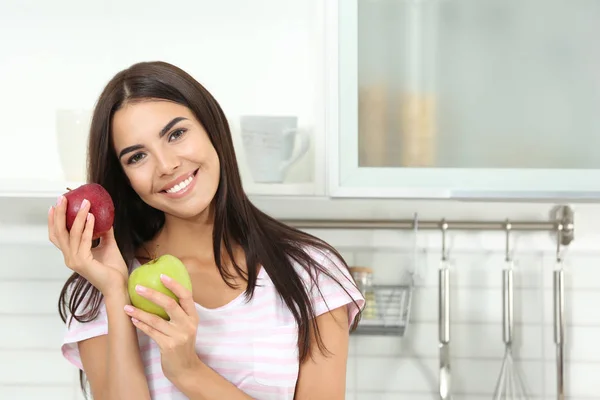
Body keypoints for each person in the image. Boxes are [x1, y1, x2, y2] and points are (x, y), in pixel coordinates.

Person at [48, 60, 365, 400]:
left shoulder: (311, 274)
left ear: (211, 127)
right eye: (137, 156)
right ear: (124, 178)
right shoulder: (99, 291)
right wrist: (114, 291)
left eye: (176, 134)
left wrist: (189, 372)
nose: (167, 165)